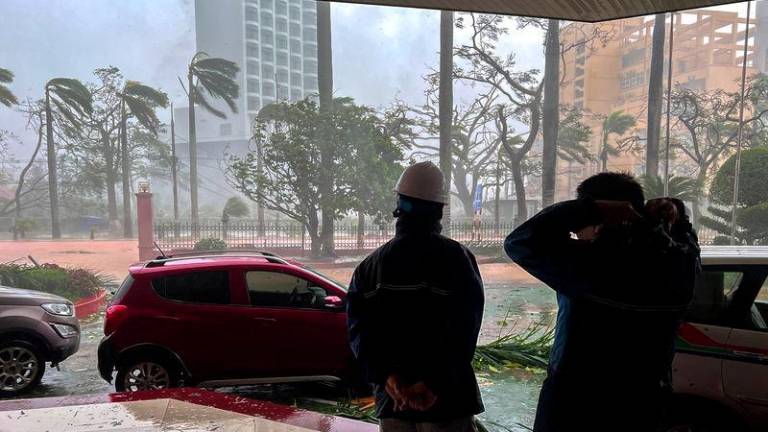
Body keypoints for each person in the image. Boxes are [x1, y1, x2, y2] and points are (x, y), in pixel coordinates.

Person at [504, 172, 700, 432]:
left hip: (576, 406)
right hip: (644, 404)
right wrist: (674, 210)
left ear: (599, 221)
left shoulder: (588, 266)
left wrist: (589, 209)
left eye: (578, 227)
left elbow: (519, 241)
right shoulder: (679, 266)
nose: (576, 233)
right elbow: (687, 240)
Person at [347, 161, 485, 432]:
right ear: (440, 210)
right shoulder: (457, 259)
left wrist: (389, 379)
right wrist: (433, 383)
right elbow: (465, 331)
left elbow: (360, 334)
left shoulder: (370, 267)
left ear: (400, 205)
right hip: (449, 400)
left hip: (394, 404)